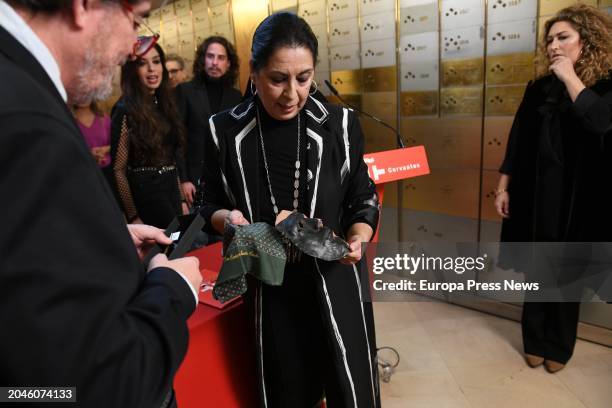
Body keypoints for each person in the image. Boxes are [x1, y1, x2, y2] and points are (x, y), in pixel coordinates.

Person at [0, 1, 202, 406]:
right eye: (135, 19)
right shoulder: (27, 123)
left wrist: (105, 242)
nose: (134, 47)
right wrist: (174, 289)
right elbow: (93, 386)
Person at [200, 12, 381, 407]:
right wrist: (227, 220)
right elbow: (208, 202)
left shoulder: (340, 125)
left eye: (304, 78)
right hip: (272, 290)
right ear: (254, 71)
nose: (292, 94)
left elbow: (362, 194)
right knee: (286, 389)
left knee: (350, 386)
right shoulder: (225, 131)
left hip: (335, 279)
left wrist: (359, 236)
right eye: (277, 79)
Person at [494, 4, 612, 373]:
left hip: (582, 197)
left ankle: (559, 345)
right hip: (537, 192)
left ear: (587, 41)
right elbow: (517, 142)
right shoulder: (538, 87)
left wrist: (570, 78)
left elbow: (600, 122)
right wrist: (503, 187)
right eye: (549, 40)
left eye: (563, 38)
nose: (553, 46)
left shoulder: (605, 86)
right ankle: (534, 338)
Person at [112, 43, 188, 228]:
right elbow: (118, 170)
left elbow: (172, 158)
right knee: (169, 247)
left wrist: (181, 199)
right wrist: (133, 216)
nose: (151, 68)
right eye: (142, 63)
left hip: (170, 189)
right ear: (132, 70)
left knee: (179, 245)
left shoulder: (165, 103)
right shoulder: (124, 109)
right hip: (147, 193)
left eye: (156, 61)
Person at [175, 35, 241, 206]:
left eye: (221, 58)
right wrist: (184, 179)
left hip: (228, 181)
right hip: (195, 181)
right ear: (203, 60)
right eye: (210, 56)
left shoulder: (236, 96)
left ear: (228, 63)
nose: (215, 63)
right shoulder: (186, 91)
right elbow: (178, 138)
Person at [73, 101, 114, 186]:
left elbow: (116, 143)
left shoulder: (103, 118)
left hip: (108, 172)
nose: (84, 95)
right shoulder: (69, 121)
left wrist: (105, 149)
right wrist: (88, 153)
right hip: (83, 174)